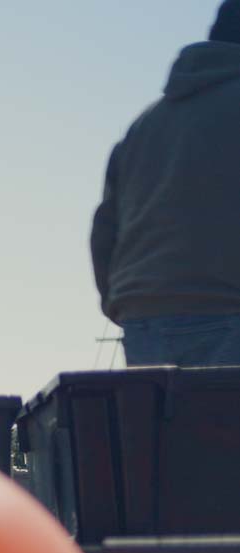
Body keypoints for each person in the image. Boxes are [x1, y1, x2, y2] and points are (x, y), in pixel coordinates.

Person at [91, 1, 240, 367]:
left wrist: (122, 302)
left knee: (174, 425)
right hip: (227, 312)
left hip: (143, 318)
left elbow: (104, 232)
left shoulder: (145, 124)